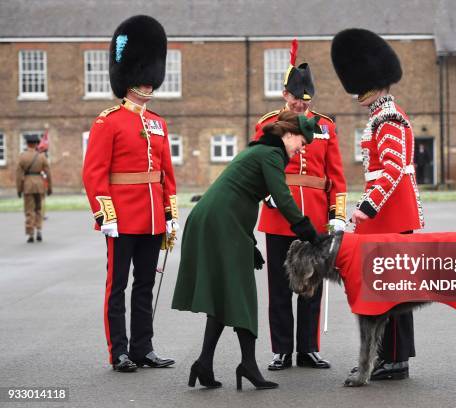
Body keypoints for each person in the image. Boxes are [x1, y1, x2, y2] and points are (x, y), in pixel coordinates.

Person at [172, 111, 321, 391]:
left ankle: (205, 362)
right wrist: (309, 232)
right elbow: (282, 197)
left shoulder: (263, 151)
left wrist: (249, 242)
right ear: (287, 135)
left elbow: (237, 196)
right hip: (221, 223)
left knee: (224, 294)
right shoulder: (271, 155)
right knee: (242, 294)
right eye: (301, 141)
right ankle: (248, 365)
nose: (302, 148)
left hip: (219, 220)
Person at [82, 15, 178, 372]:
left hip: (152, 216)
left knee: (145, 286)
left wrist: (169, 216)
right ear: (128, 79)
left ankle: (143, 348)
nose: (148, 85)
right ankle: (118, 351)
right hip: (121, 218)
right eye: (142, 78)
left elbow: (165, 174)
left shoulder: (158, 123)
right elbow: (94, 173)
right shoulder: (108, 121)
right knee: (117, 287)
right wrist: (105, 214)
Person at [331, 28, 424, 380]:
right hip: (382, 216)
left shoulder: (389, 118)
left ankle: (396, 359)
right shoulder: (378, 116)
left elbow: (393, 170)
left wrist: (366, 208)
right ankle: (383, 355)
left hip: (390, 216)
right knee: (382, 290)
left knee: (395, 291)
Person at [253, 40, 347, 371]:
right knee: (280, 288)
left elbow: (336, 175)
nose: (300, 107)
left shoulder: (325, 126)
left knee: (312, 285)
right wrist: (267, 193)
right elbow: (257, 166)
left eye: (305, 103)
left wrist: (337, 215)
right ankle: (282, 349)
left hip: (317, 215)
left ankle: (308, 348)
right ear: (285, 95)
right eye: (295, 101)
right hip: (280, 215)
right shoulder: (267, 124)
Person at [16, 134, 52, 243]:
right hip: (40, 184)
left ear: (27, 144)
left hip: (27, 185)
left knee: (29, 210)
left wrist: (19, 189)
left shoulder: (22, 156)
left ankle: (30, 233)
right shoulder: (41, 157)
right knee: (39, 209)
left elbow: (18, 175)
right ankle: (39, 230)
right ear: (36, 144)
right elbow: (48, 173)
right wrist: (49, 187)